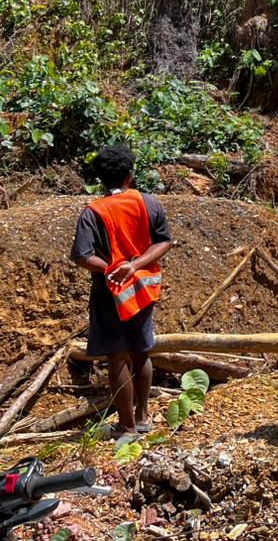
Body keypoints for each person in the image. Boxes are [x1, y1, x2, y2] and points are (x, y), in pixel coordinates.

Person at [69, 144, 173, 442]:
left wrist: (111, 268)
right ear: (130, 175)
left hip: (110, 294)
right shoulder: (148, 203)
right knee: (141, 351)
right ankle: (142, 417)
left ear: (100, 178)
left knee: (117, 358)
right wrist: (135, 265)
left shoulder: (93, 212)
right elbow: (164, 241)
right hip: (142, 289)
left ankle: (126, 427)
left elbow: (81, 256)